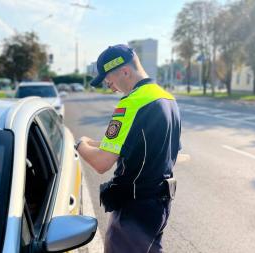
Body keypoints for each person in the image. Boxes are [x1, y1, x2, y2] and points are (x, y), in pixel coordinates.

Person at [75, 44, 181, 253]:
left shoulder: (131, 104)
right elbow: (147, 147)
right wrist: (95, 143)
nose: (109, 85)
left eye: (109, 79)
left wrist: (79, 144)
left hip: (135, 210)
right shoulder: (168, 99)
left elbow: (101, 162)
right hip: (160, 206)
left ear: (125, 71)